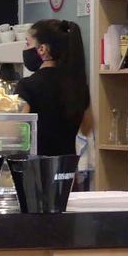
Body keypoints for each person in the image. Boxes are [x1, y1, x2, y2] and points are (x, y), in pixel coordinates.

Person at [17, 19, 93, 157]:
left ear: (42, 49)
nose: (25, 49)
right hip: (68, 168)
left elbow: (19, 130)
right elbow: (86, 129)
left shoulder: (27, 85)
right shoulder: (78, 86)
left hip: (38, 168)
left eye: (28, 43)